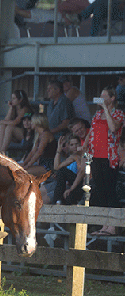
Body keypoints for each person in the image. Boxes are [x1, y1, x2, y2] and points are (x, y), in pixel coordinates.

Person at [86, 86, 125, 235]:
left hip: (110, 157)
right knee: (100, 191)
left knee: (110, 191)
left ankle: (113, 226)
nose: (100, 98)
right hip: (96, 155)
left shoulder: (119, 114)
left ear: (111, 98)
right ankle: (104, 225)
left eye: (104, 96)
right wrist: (85, 146)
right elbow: (92, 131)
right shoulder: (97, 114)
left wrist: (106, 110)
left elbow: (113, 128)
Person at [0, 89, 34, 154]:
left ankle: (2, 151)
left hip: (26, 133)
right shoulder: (14, 108)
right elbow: (6, 120)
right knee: (2, 126)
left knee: (9, 128)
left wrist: (1, 121)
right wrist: (11, 108)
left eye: (14, 98)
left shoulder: (25, 109)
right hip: (15, 134)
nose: (11, 100)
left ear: (20, 99)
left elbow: (16, 122)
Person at [52, 135, 85, 205]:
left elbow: (82, 171)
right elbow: (57, 167)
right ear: (69, 147)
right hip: (76, 183)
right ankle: (58, 200)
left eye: (77, 144)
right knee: (62, 171)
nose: (75, 147)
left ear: (80, 144)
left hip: (85, 182)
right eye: (72, 145)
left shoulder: (85, 154)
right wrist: (58, 150)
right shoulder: (73, 157)